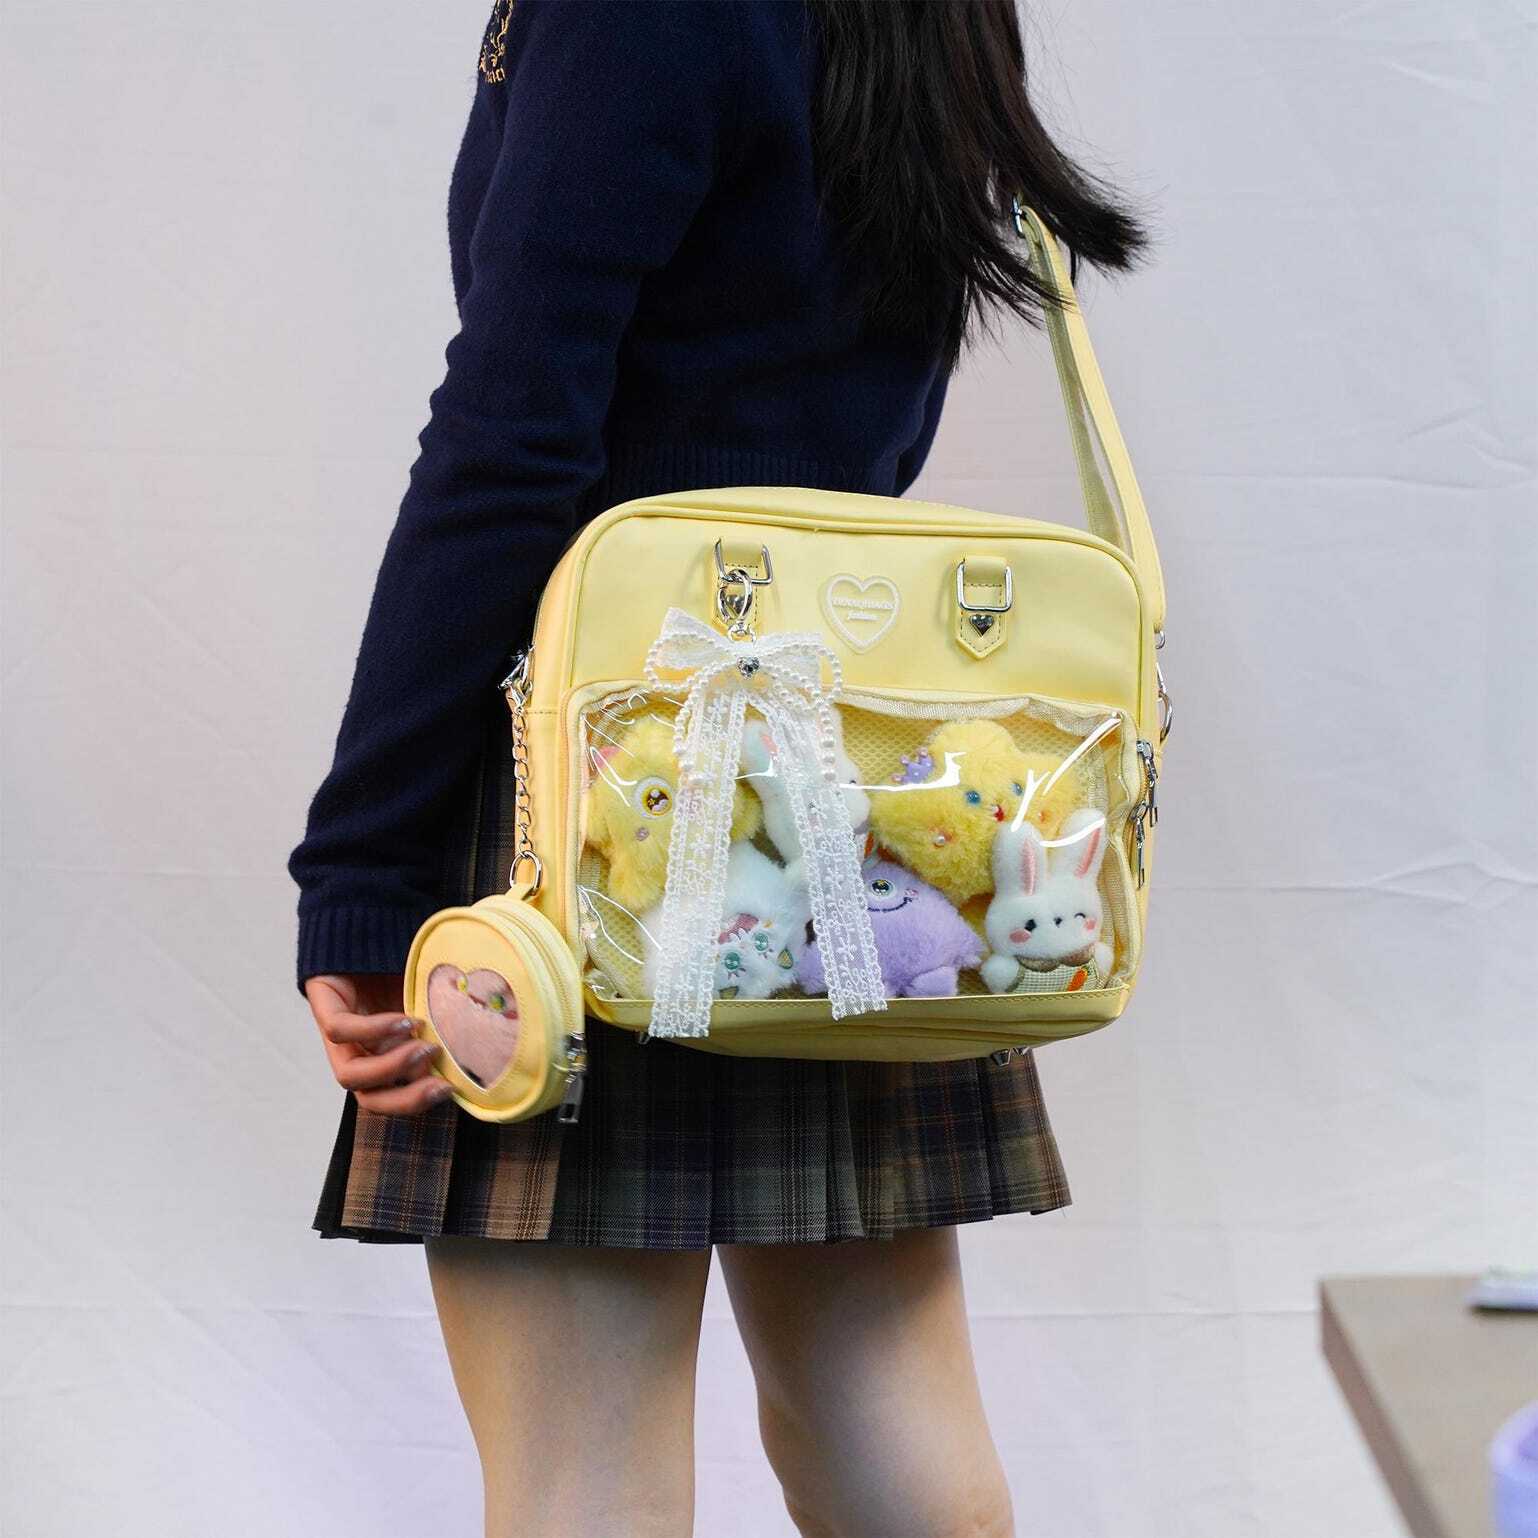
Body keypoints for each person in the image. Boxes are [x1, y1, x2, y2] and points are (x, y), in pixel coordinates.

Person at [288, 3, 1150, 1534]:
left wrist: (361, 862)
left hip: (601, 788)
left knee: (582, 1477)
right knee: (891, 1414)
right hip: (850, 785)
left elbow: (512, 434)